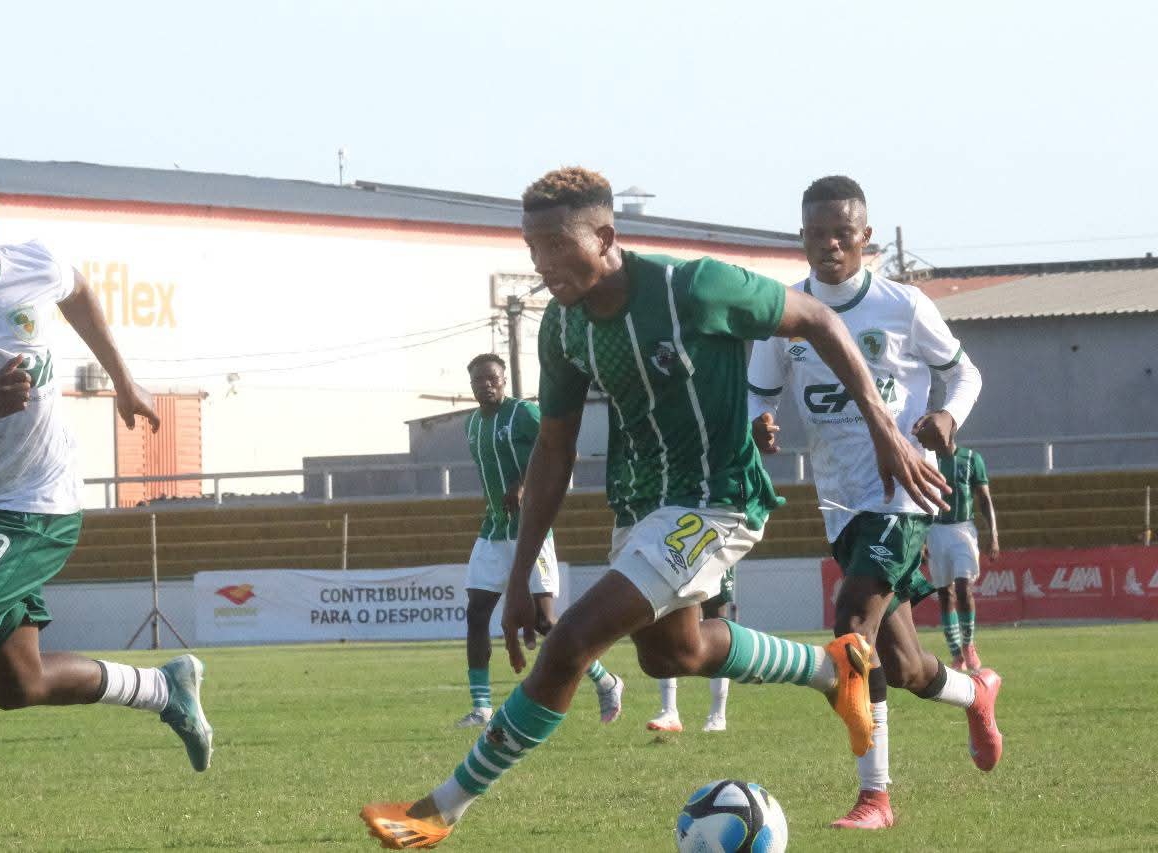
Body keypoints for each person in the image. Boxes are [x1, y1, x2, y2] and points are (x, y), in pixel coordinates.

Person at [361, 166, 949, 849]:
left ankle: (440, 808)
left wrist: (883, 425)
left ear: (606, 235)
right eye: (531, 247)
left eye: (556, 244)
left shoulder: (691, 287)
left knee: (572, 642)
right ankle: (832, 670)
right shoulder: (563, 327)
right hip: (644, 505)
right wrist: (520, 573)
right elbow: (553, 449)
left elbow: (815, 317)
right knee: (674, 653)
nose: (542, 262)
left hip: (716, 500)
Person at [0, 153, 213, 832]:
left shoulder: (34, 262)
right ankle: (163, 687)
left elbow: (79, 292)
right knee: (16, 683)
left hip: (41, 499)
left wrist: (124, 378)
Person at [747, 175, 1003, 831]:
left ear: (865, 237)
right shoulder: (784, 311)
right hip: (839, 500)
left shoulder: (904, 304)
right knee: (902, 663)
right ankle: (976, 691)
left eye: (843, 232)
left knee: (849, 622)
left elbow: (964, 372)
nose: (830, 243)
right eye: (817, 233)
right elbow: (760, 391)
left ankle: (875, 797)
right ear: (801, 237)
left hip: (904, 492)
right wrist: (760, 422)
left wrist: (947, 416)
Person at [457, 353, 623, 728]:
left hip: (531, 530)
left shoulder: (525, 414)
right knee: (476, 611)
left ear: (503, 380)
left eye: (492, 378)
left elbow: (563, 451)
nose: (485, 384)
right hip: (493, 531)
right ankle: (481, 708)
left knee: (547, 622)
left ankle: (607, 680)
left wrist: (525, 484)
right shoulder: (470, 425)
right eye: (478, 380)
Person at [930, 445, 998, 673]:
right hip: (935, 530)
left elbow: (984, 498)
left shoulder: (971, 458)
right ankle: (956, 653)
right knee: (944, 592)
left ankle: (968, 644)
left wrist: (994, 534)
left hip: (963, 530)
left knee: (963, 587)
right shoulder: (928, 458)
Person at [645, 567, 735, 733]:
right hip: (677, 552)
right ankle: (669, 711)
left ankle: (718, 715)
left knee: (717, 620)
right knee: (669, 622)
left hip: (712, 549)